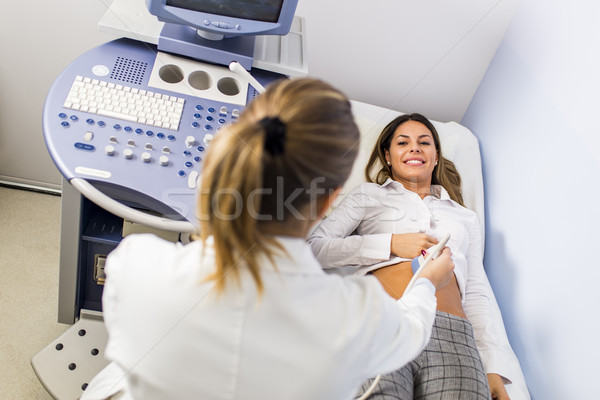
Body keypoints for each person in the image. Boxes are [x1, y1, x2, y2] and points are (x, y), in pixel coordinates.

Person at [81, 81, 456, 400]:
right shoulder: (358, 317)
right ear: (330, 198)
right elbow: (413, 329)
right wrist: (425, 282)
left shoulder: (136, 265)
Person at [308, 113, 526, 400]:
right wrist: (392, 244)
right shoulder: (368, 196)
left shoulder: (466, 217)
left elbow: (476, 293)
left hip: (453, 335)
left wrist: (493, 368)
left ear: (436, 157)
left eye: (424, 142)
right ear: (388, 156)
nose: (414, 148)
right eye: (403, 142)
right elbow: (315, 247)